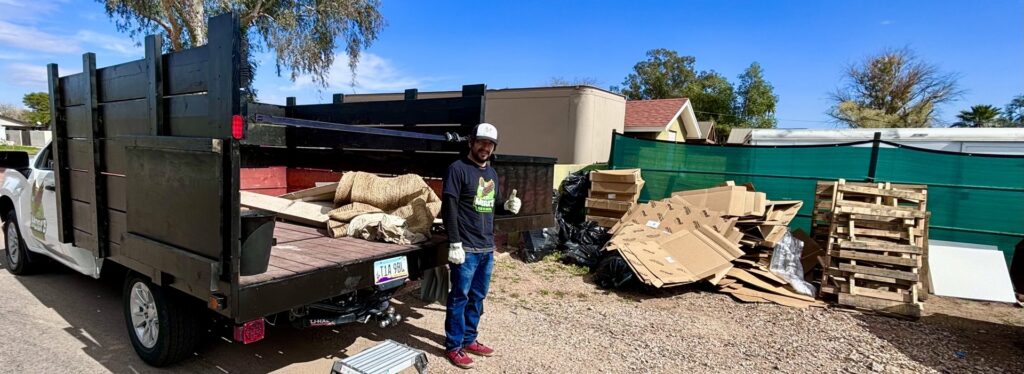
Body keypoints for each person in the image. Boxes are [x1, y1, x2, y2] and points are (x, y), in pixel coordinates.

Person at [441, 122, 521, 369]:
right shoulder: (457, 169)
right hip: (465, 248)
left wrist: (505, 207)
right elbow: (449, 208)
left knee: (477, 297)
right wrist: (454, 242)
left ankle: (469, 339)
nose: (485, 147)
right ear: (471, 143)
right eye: (481, 142)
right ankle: (454, 346)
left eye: (490, 144)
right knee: (459, 297)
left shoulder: (492, 174)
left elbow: (490, 205)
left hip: (486, 248)